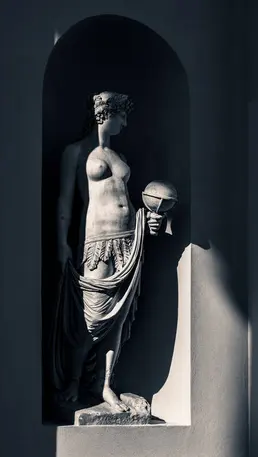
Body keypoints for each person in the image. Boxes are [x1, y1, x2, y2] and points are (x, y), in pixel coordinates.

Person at [50, 91, 163, 413]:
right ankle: (73, 379)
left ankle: (106, 384)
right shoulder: (76, 153)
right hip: (97, 240)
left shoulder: (120, 156)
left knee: (119, 318)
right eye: (122, 116)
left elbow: (127, 197)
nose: (125, 124)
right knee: (94, 317)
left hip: (128, 238)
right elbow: (64, 204)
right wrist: (61, 243)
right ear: (106, 114)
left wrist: (148, 217)